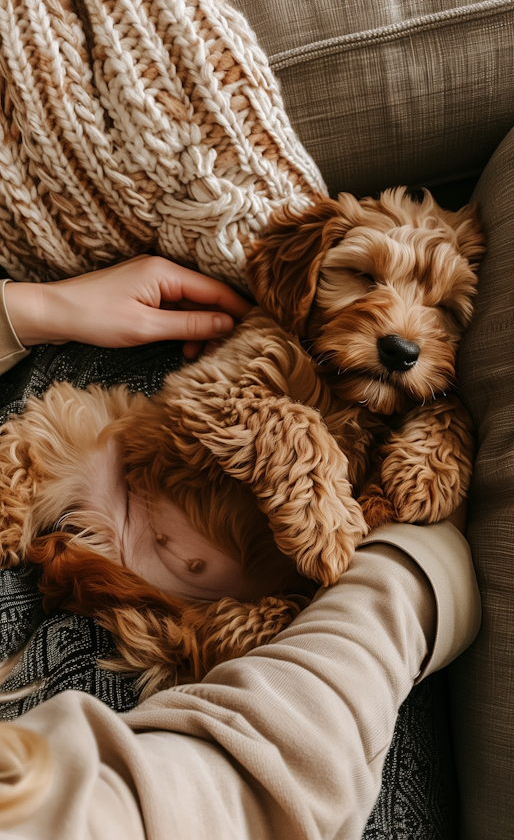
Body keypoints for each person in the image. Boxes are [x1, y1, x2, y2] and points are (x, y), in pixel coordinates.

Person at [0, 257, 480, 839]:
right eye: (367, 277)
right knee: (50, 439)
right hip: (123, 488)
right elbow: (214, 397)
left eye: (446, 309)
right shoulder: (275, 341)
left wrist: (445, 435)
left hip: (219, 627)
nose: (404, 320)